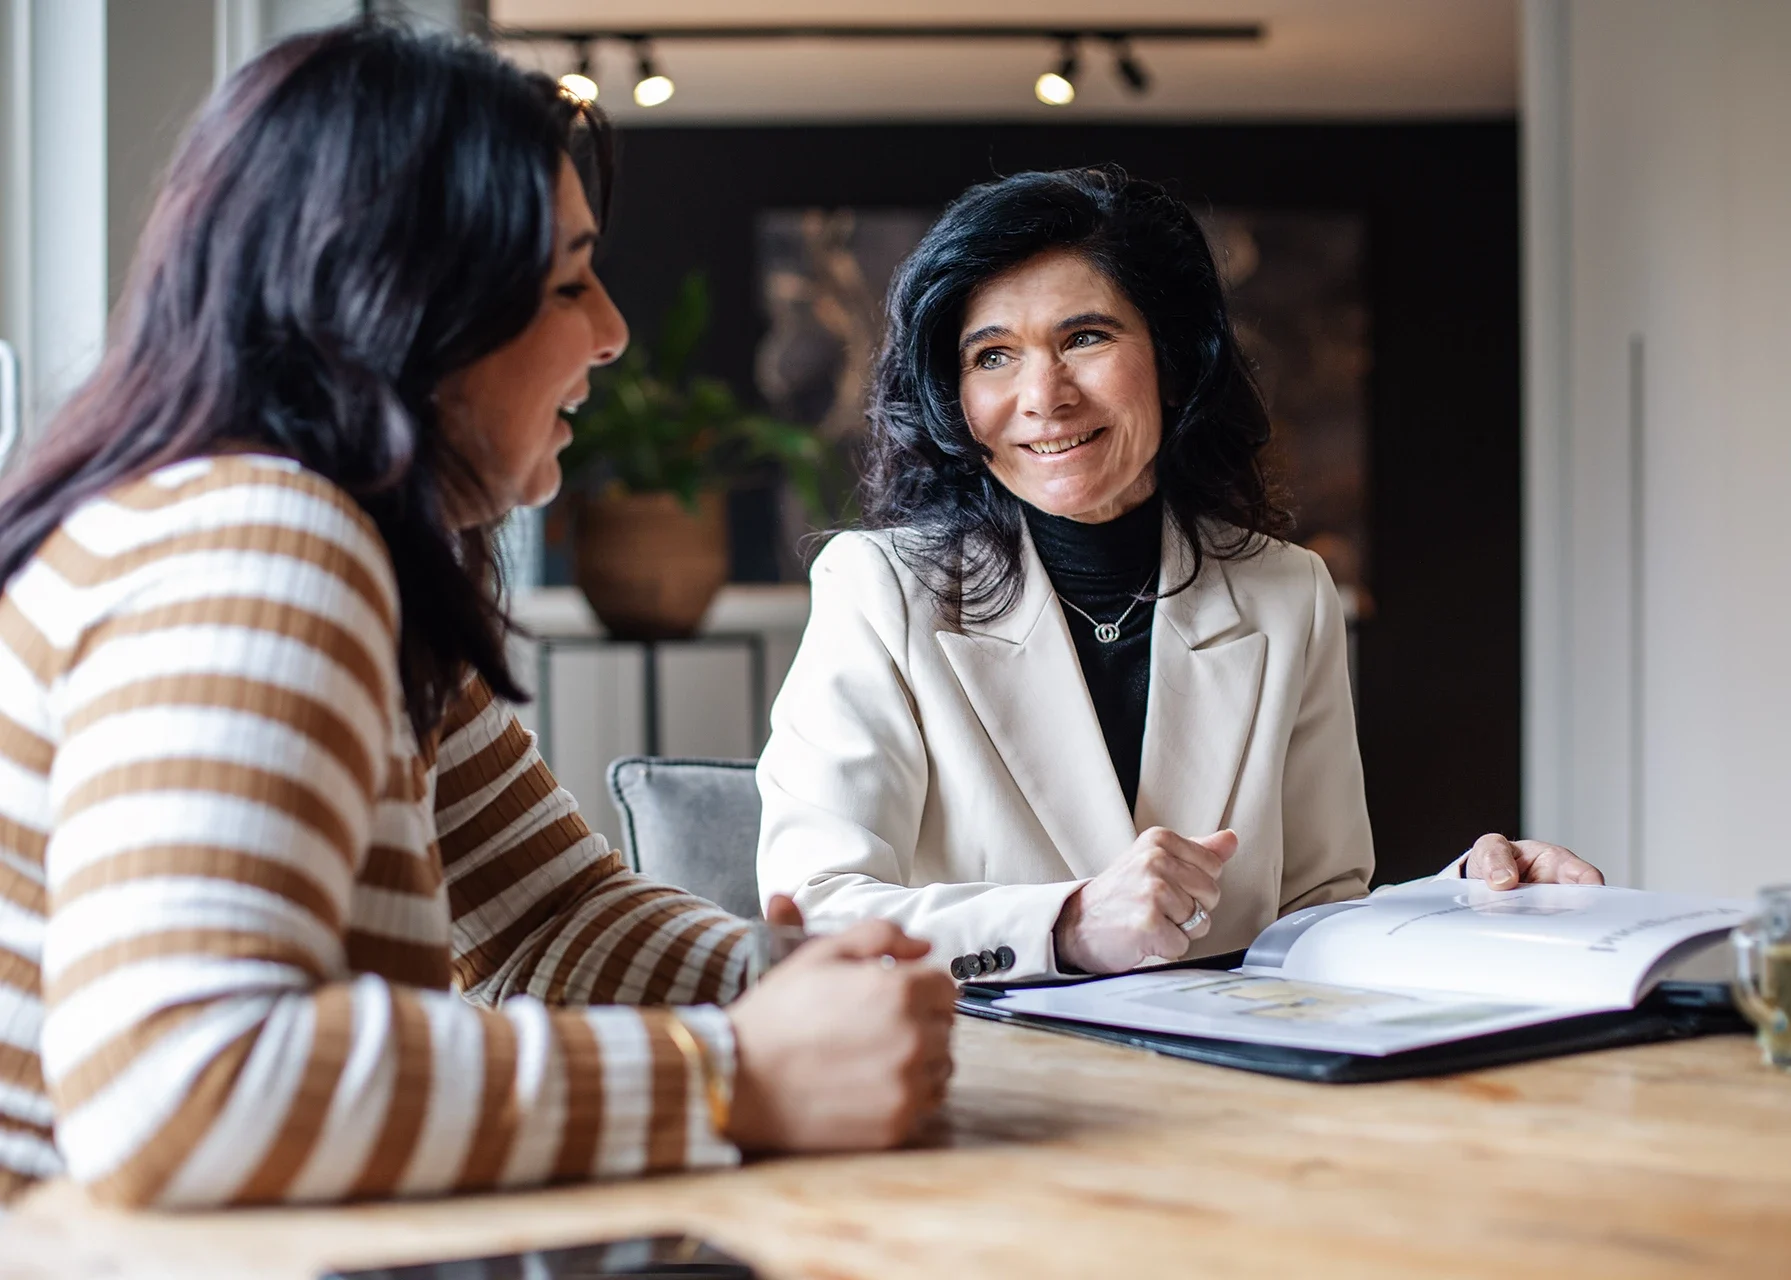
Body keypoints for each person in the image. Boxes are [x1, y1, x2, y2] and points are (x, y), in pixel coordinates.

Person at [0, 24, 955, 1210]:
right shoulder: (260, 542)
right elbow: (178, 1079)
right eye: (566, 283)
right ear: (399, 310)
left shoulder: (338, 549)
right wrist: (733, 1070)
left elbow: (543, 914)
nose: (610, 330)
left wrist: (783, 973)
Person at [755, 167, 1602, 982]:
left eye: (1083, 338)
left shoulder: (1287, 593)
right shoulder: (879, 590)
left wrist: (1464, 902)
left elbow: (1315, 911)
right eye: (992, 356)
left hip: (1226, 1084)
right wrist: (1068, 924)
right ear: (954, 393)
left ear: (1173, 355)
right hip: (991, 1079)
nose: (1043, 395)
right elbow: (814, 911)